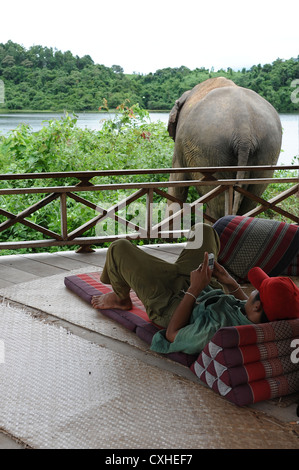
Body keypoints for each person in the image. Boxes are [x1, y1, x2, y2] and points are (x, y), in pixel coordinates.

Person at [91, 223, 299, 355]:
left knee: (119, 248)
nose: (252, 289)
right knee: (204, 230)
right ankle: (178, 272)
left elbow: (173, 334)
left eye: (257, 289)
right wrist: (229, 282)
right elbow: (248, 306)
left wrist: (194, 289)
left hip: (170, 303)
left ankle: (121, 298)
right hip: (203, 288)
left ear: (258, 306)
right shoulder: (258, 318)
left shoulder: (216, 331)